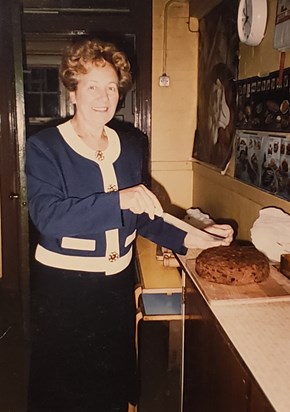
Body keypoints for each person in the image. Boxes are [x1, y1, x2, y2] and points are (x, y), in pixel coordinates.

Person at [25, 37, 233, 412]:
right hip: (64, 290)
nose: (103, 97)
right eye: (92, 86)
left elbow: (145, 213)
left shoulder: (132, 145)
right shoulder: (45, 148)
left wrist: (199, 238)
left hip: (115, 287)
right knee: (64, 389)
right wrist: (118, 199)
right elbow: (48, 217)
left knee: (111, 384)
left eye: (111, 87)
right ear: (73, 90)